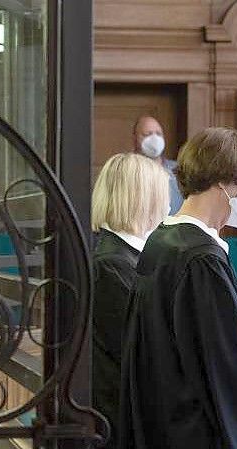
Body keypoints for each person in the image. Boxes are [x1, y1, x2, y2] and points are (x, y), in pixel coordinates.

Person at [119, 127, 237, 449]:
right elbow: (233, 372)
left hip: (162, 426)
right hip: (198, 433)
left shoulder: (161, 241)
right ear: (223, 182)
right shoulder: (202, 259)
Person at [90, 153, 170, 449]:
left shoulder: (127, 256)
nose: (167, 205)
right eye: (163, 195)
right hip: (120, 421)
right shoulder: (111, 264)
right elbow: (142, 349)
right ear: (143, 199)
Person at [132, 115, 183, 214]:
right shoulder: (126, 171)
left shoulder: (178, 170)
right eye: (147, 134)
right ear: (135, 138)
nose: (154, 139)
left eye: (158, 134)